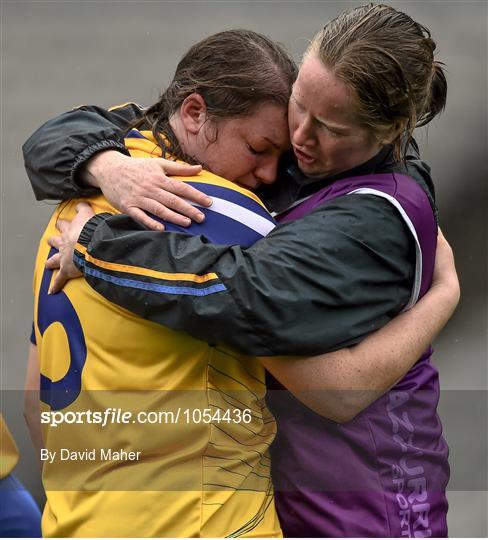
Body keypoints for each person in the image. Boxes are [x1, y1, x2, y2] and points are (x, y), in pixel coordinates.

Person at [23, 5, 454, 537]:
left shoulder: (75, 210)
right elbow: (61, 136)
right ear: (195, 111)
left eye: (330, 126)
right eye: (298, 109)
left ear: (386, 132)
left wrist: (94, 237)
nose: (295, 147)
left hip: (367, 507)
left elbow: (35, 412)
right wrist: (106, 166)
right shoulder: (183, 197)